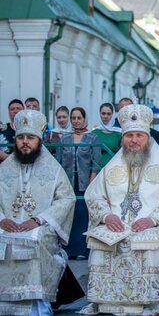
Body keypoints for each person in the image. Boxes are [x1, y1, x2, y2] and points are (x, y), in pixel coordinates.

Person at [82, 103, 159, 315]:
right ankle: (107, 303)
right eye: (129, 136)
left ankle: (152, 301)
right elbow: (93, 195)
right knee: (101, 250)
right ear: (123, 139)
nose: (134, 141)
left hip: (151, 227)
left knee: (151, 247)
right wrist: (106, 215)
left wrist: (153, 219)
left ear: (148, 138)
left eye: (139, 135)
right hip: (115, 229)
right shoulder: (113, 165)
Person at [0, 110, 75, 316]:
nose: (25, 142)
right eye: (21, 137)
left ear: (39, 140)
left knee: (37, 238)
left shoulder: (54, 169)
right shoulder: (4, 168)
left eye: (30, 138)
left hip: (40, 226)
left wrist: (39, 220)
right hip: (7, 226)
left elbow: (67, 199)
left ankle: (36, 306)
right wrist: (1, 220)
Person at [55, 107, 102, 259]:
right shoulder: (65, 138)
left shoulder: (92, 138)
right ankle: (69, 250)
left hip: (85, 183)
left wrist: (92, 179)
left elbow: (96, 161)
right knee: (70, 214)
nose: (76, 121)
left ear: (84, 119)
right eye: (73, 118)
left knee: (83, 214)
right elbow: (59, 160)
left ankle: (83, 249)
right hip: (68, 182)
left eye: (78, 118)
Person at [91, 103, 122, 168]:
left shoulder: (118, 133)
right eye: (103, 113)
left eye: (108, 114)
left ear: (112, 115)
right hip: (97, 168)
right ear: (100, 114)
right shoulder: (94, 133)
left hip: (114, 167)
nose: (105, 116)